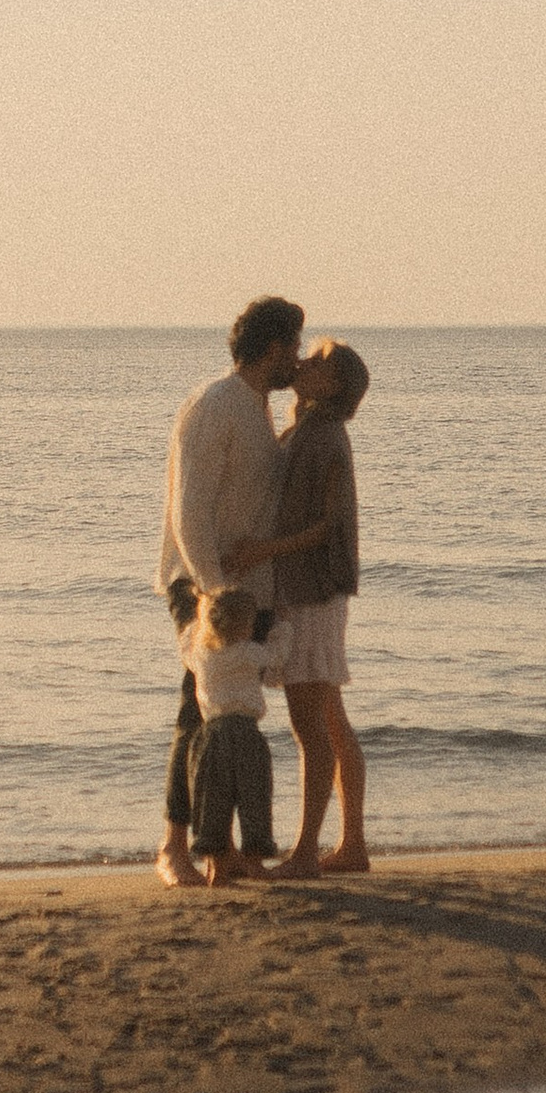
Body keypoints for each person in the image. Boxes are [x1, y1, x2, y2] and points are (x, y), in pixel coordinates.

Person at [152, 298, 308, 888]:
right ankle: (173, 848)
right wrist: (216, 594)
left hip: (243, 589)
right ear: (270, 348)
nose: (296, 356)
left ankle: (231, 852)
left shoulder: (259, 409)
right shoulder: (215, 405)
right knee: (200, 711)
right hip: (203, 584)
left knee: (234, 717)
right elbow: (189, 513)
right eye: (292, 345)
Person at [269, 340, 371, 875]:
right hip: (316, 590)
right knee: (330, 718)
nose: (303, 361)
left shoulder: (325, 437)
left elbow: (325, 527)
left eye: (317, 360)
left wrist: (263, 551)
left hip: (312, 591)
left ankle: (307, 850)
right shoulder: (308, 430)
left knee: (310, 724)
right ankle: (351, 844)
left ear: (332, 385)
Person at [182, 586, 285, 883]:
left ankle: (216, 865)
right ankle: (255, 862)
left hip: (211, 735)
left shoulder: (201, 656)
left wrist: (199, 610)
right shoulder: (248, 652)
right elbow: (277, 656)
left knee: (212, 801)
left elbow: (186, 640)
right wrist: (283, 627)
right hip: (245, 732)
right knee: (254, 797)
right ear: (245, 625)